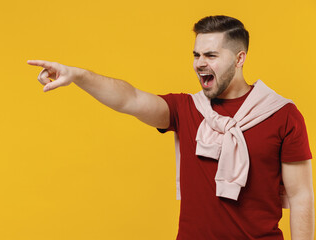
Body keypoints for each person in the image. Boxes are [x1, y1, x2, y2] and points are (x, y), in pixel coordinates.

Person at [28, 15, 314, 240]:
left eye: (211, 56)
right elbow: (130, 98)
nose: (199, 64)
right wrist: (78, 75)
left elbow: (301, 195)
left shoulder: (282, 115)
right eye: (196, 55)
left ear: (240, 59)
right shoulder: (186, 109)